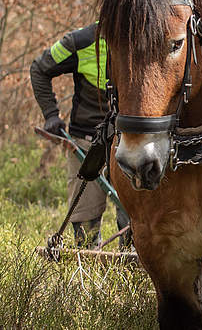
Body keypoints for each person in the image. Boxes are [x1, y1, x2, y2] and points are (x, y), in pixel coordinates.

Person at [30, 22, 129, 249]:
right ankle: (87, 280)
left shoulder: (150, 36)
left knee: (134, 227)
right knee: (85, 229)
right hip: (86, 142)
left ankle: (131, 279)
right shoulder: (81, 41)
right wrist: (51, 114)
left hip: (133, 142)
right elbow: (39, 68)